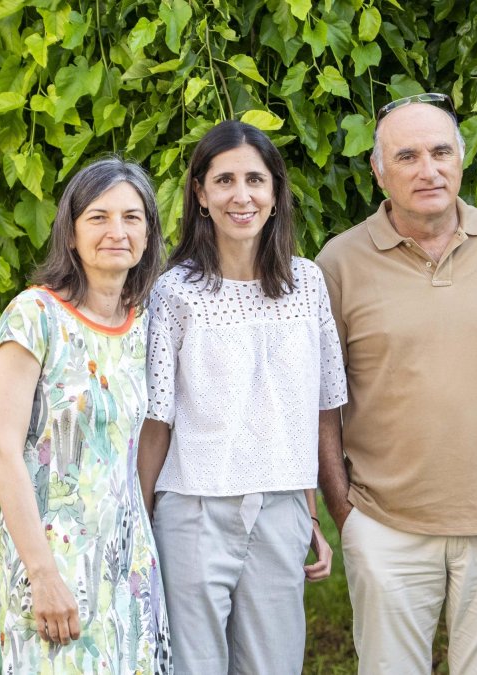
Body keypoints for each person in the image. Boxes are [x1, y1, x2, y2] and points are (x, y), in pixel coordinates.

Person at [314, 92, 477, 675]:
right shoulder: (339, 262)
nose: (427, 170)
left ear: (461, 158)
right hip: (385, 524)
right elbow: (323, 399)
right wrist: (344, 511)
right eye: (406, 157)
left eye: (440, 152)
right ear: (379, 172)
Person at [136, 120, 345, 674]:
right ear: (201, 194)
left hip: (280, 512)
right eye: (224, 180)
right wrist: (138, 520)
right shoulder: (175, 291)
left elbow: (314, 411)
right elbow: (157, 421)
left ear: (275, 194)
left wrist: (313, 517)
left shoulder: (308, 284)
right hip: (193, 510)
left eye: (255, 179)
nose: (241, 195)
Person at [0, 157, 171, 672]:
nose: (117, 231)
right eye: (99, 217)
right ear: (70, 233)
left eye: (133, 218)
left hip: (126, 562)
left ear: (150, 234)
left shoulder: (144, 322)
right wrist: (41, 574)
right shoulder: (34, 315)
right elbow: (2, 449)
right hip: (51, 561)